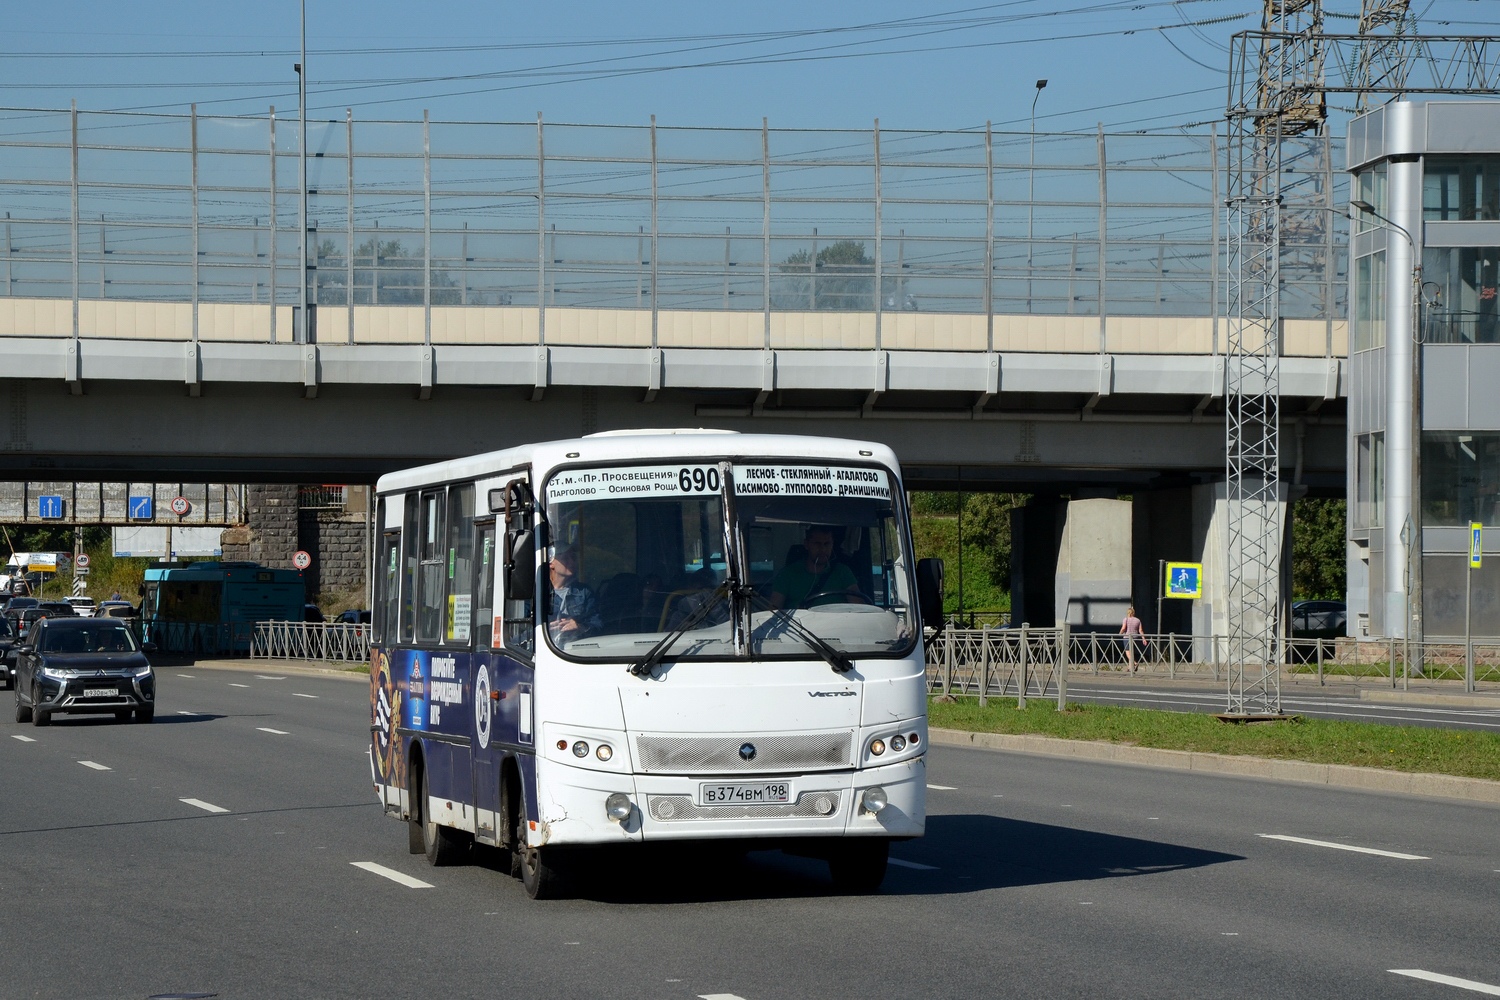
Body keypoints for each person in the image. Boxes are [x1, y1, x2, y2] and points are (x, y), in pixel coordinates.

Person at [770, 525, 860, 610]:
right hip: (800, 625)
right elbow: (773, 611)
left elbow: (859, 608)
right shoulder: (787, 574)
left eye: (827, 544)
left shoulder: (843, 572)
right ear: (807, 544)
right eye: (817, 544)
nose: (823, 549)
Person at [546, 547, 601, 642]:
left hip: (575, 650)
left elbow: (598, 625)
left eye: (573, 558)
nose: (572, 562)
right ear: (551, 563)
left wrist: (579, 627)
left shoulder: (584, 592)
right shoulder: (538, 593)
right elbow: (521, 629)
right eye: (566, 558)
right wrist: (544, 628)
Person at [1119, 604, 1144, 672]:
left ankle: (1135, 663)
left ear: (1128, 613)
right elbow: (1140, 630)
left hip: (1127, 637)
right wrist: (1143, 638)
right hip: (1135, 637)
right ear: (1133, 613)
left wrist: (1120, 633)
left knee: (1127, 652)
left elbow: (1123, 628)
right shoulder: (1138, 620)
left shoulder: (1126, 619)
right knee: (1131, 652)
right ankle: (1130, 668)